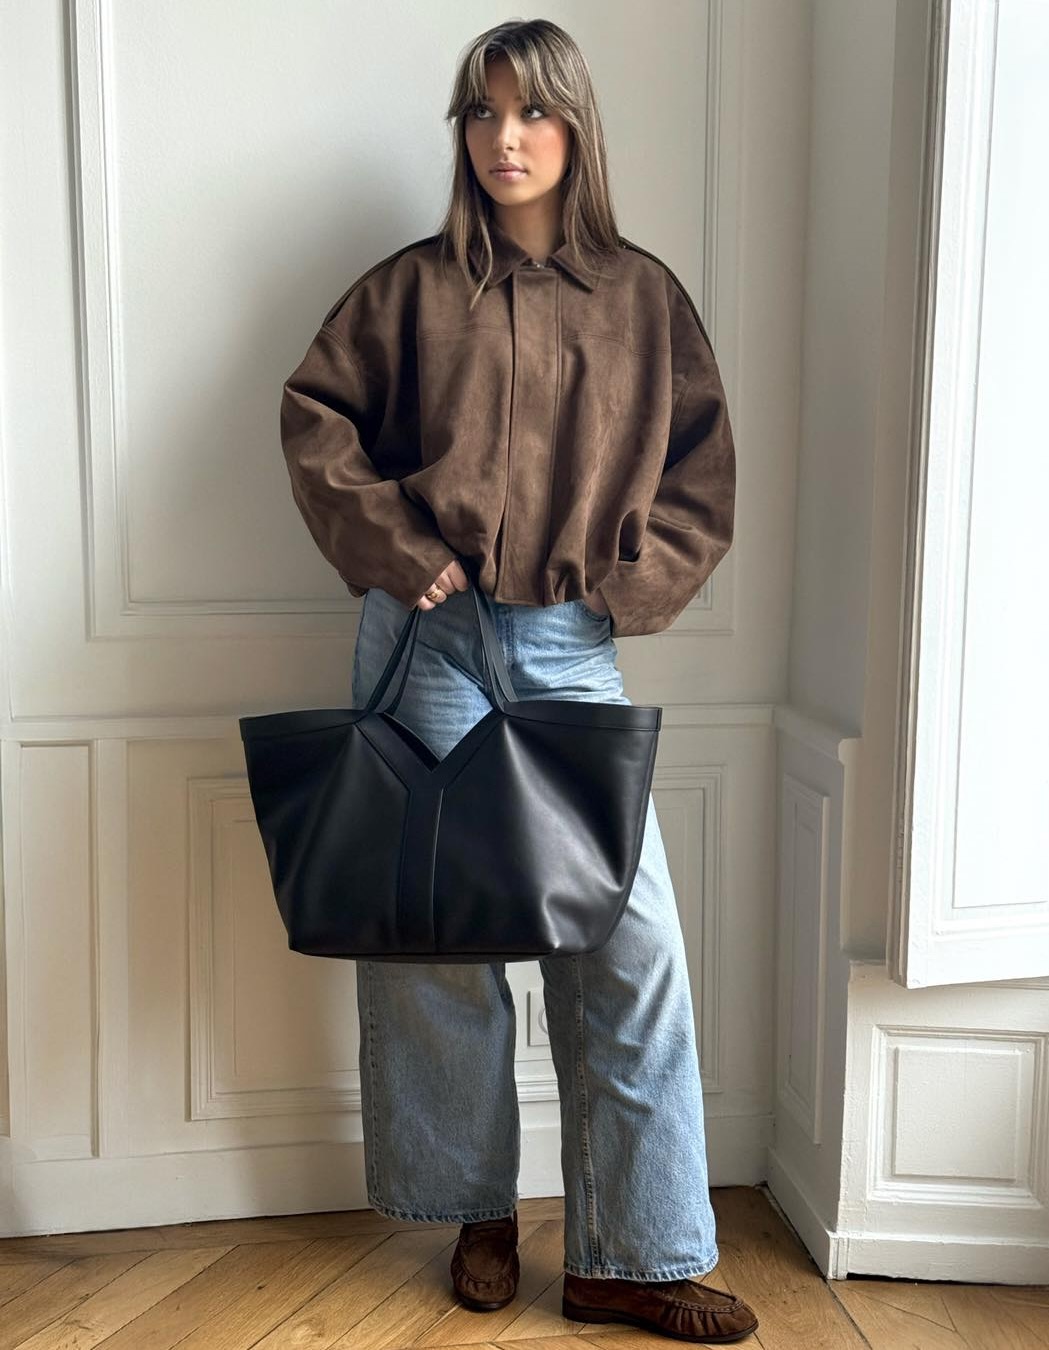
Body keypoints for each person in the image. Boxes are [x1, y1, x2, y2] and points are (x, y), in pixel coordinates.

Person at [279, 18, 755, 1345]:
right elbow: (315, 419)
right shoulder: (407, 293)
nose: (506, 138)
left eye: (533, 112)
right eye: (483, 113)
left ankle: (633, 1256)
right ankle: (475, 1207)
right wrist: (399, 551)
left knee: (630, 949)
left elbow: (702, 472)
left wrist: (622, 591)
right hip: (429, 643)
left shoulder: (644, 299)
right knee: (438, 946)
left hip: (566, 648)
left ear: (576, 127)